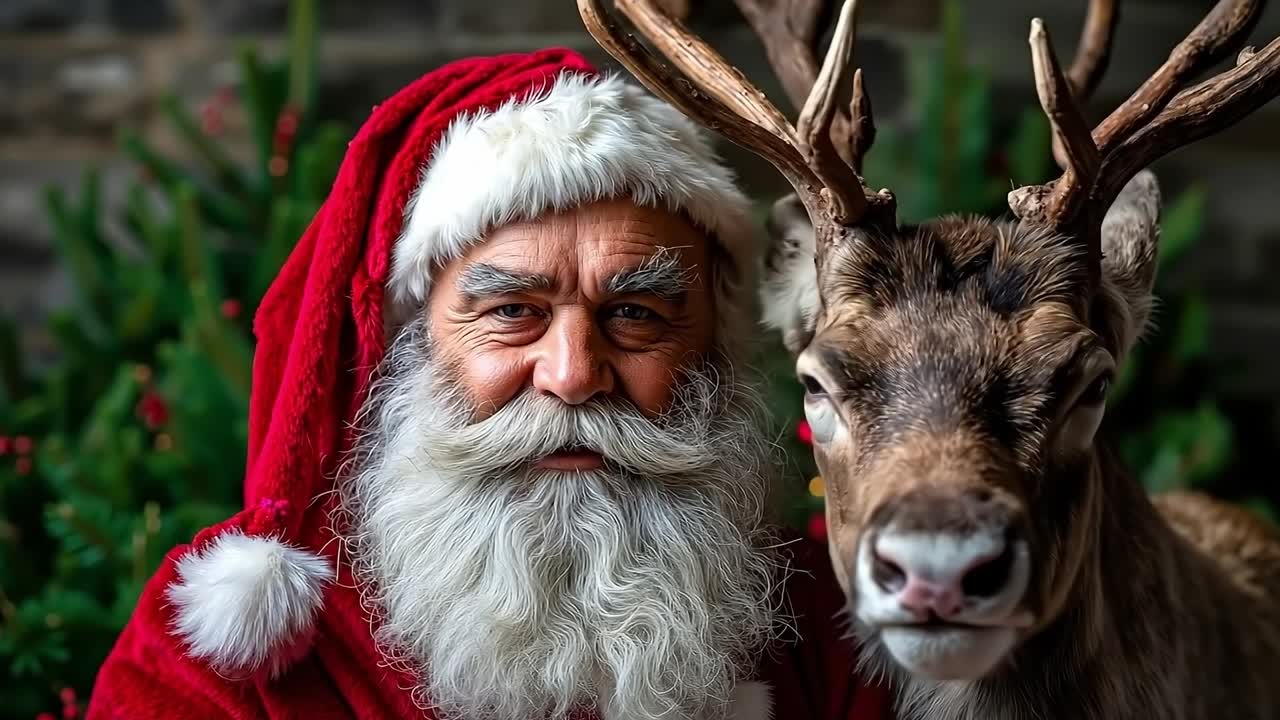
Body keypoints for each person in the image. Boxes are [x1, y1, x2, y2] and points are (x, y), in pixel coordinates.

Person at [85, 49, 892, 720]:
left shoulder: (827, 622)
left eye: (638, 314)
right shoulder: (232, 660)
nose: (574, 375)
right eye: (512, 311)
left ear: (713, 348)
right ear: (412, 339)